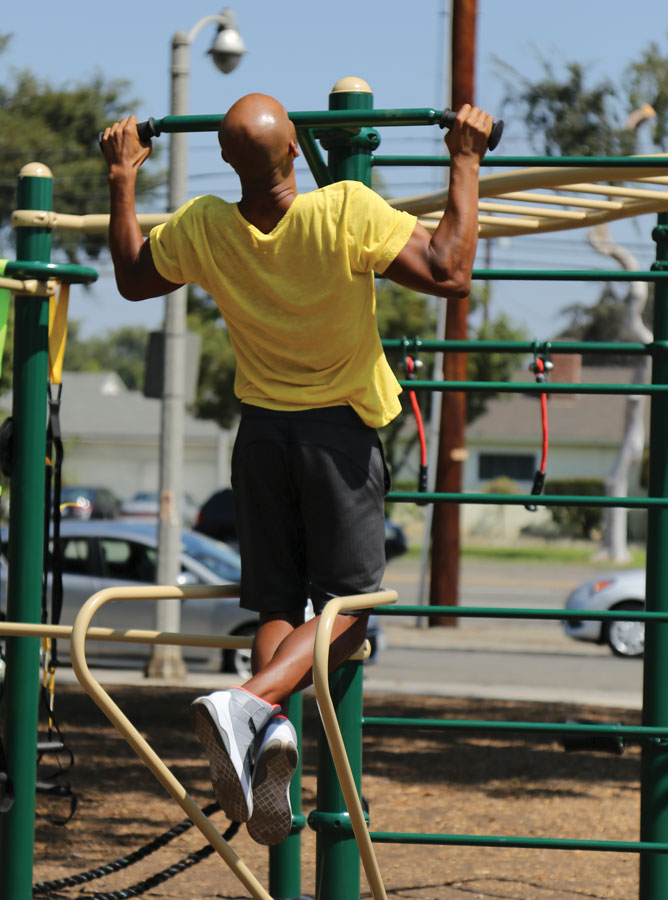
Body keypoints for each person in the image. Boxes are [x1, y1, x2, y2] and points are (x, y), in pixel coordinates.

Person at [101, 92, 493, 845]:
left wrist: (124, 177)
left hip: (260, 439)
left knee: (280, 604)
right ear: (294, 156)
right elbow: (450, 272)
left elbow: (132, 276)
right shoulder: (343, 208)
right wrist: (465, 163)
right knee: (352, 614)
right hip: (337, 436)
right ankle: (248, 702)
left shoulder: (206, 226)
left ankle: (261, 738)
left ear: (226, 160)